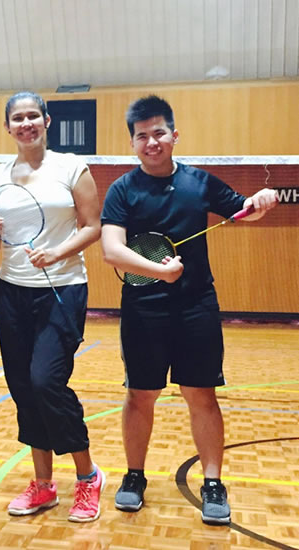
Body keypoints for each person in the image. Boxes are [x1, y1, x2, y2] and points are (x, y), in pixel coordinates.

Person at [100, 95, 278, 525]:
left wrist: (262, 200)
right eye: (142, 135)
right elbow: (111, 250)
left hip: (196, 305)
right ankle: (134, 476)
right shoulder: (122, 190)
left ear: (174, 136)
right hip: (144, 308)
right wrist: (158, 273)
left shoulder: (200, 182)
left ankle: (213, 482)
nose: (151, 142)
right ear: (133, 143)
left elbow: (241, 212)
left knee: (201, 394)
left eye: (159, 132)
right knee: (140, 395)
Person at [0, 91, 104, 522]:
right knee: (22, 388)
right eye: (18, 117)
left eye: (33, 115)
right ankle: (44, 485)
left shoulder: (72, 167)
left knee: (45, 381)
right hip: (12, 292)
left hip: (62, 288)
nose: (26, 123)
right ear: (8, 127)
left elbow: (93, 227)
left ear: (47, 121)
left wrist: (58, 253)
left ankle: (88, 478)